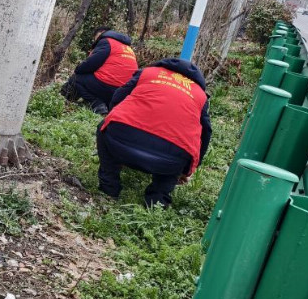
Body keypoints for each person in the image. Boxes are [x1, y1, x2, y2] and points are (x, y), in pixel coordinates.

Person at [96, 58, 211, 208]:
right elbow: (206, 133)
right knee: (180, 155)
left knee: (103, 127)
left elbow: (118, 96)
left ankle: (109, 187)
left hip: (122, 140)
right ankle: (157, 201)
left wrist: (117, 124)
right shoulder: (200, 95)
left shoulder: (148, 73)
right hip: (170, 160)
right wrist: (188, 170)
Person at [61, 28, 138, 115]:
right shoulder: (127, 48)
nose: (96, 40)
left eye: (95, 37)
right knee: (93, 79)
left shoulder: (107, 41)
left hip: (109, 86)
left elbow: (91, 63)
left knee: (76, 78)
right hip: (123, 92)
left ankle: (97, 104)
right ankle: (106, 105)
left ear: (102, 33)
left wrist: (78, 69)